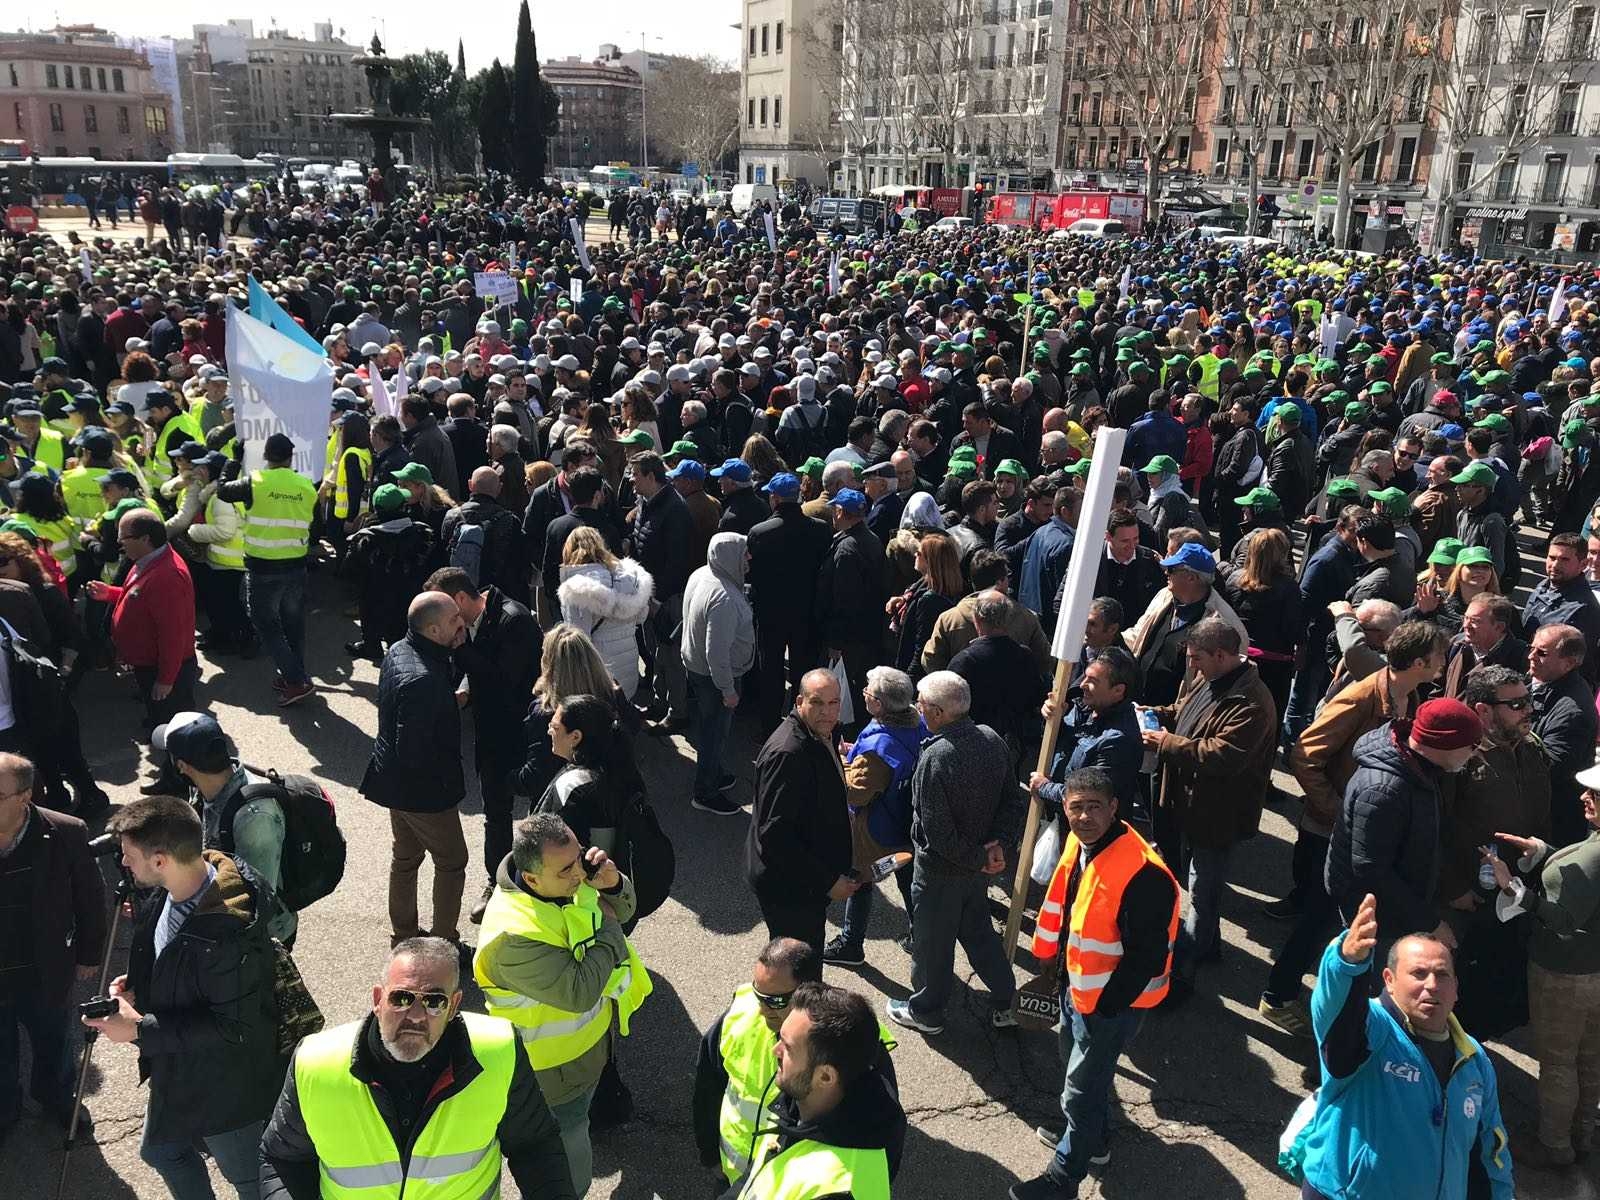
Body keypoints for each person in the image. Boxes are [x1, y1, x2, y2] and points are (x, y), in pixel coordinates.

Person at [259, 936, 577, 1200]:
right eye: (401, 998)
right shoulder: (316, 1063)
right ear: (378, 999)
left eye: (434, 1002)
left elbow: (534, 1146)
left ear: (454, 1006)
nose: (414, 1015)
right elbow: (282, 1159)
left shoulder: (499, 1051)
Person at [86, 797, 281, 1200]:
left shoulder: (227, 935)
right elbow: (172, 956)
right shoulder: (178, 884)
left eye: (129, 856)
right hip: (180, 1066)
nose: (123, 863)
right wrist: (143, 985)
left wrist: (139, 1030)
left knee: (249, 1181)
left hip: (226, 1088)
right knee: (160, 1151)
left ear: (160, 860)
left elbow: (234, 1029)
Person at [1262, 621, 1448, 1033]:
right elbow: (1305, 754)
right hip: (1330, 831)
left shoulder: (1410, 695)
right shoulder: (1362, 696)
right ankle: (1278, 995)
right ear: (1419, 662)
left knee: (1337, 920)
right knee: (1318, 918)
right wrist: (1338, 810)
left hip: (1359, 831)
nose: (1443, 663)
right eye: (1438, 656)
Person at [1011, 767, 1179, 1200]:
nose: (1084, 816)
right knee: (1085, 1078)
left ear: (1114, 808)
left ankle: (1063, 1179)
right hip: (1078, 990)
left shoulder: (1144, 873)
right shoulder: (1081, 842)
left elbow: (1146, 957)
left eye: (1094, 807)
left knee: (1080, 1092)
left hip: (1110, 1005)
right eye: (1076, 807)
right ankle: (1094, 1141)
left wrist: (1107, 1007)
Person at [473, 812, 651, 1196]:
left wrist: (613, 883)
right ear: (532, 879)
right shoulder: (510, 939)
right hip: (552, 1075)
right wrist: (609, 928)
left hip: (588, 1052)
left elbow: (623, 909)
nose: (579, 873)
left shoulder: (560, 880)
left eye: (579, 857)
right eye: (567, 869)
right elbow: (580, 992)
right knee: (568, 1158)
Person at [1295, 893, 1513, 1200]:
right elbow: (1335, 1008)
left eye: (1442, 975)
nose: (1432, 985)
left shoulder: (1474, 1060)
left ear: (1456, 989)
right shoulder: (1371, 1029)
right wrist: (1346, 963)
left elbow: (1490, 1154)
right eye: (1418, 974)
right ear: (1389, 980)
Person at [1141, 616, 1276, 1001]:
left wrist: (1165, 743)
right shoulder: (1213, 677)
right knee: (1198, 881)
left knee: (1203, 890)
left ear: (1221, 655)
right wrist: (1158, 713)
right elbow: (1186, 711)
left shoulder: (1251, 702)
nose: (1191, 665)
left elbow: (1222, 755)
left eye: (1197, 657)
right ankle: (1209, 945)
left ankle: (1185, 971)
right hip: (1193, 804)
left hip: (1218, 813)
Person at [694, 939, 902, 1186]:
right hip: (737, 1176)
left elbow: (882, 1136)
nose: (761, 1009)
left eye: (775, 1001)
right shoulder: (740, 1014)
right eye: (758, 994)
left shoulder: (852, 1044)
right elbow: (707, 1085)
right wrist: (709, 1153)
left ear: (806, 991)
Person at [886, 671, 1019, 1036]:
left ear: (939, 712)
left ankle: (927, 1012)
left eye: (922, 704)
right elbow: (1012, 801)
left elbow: (938, 835)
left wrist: (980, 857)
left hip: (940, 874)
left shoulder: (936, 757)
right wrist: (997, 846)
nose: (918, 709)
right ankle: (1007, 1002)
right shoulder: (992, 739)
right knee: (980, 935)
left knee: (932, 946)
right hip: (977, 872)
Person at [1487, 764, 1600, 1167]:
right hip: (1594, 971)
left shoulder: (1592, 856)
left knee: (1558, 1062)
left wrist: (1515, 890)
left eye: (1595, 795)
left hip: (1563, 973)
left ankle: (1554, 1146)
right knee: (1591, 1058)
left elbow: (1563, 919)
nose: (1584, 797)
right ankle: (1583, 1134)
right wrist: (1544, 852)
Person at [426, 567, 542, 925]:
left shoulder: (513, 620)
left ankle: (541, 883)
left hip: (524, 733)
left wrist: (461, 652)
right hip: (490, 733)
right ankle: (499, 882)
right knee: (496, 813)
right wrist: (464, 686)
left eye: (446, 609)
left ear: (461, 599)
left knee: (540, 811)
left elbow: (503, 681)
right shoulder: (470, 620)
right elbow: (479, 673)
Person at [717, 980, 906, 1200]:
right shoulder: (799, 1100)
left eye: (787, 1047)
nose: (775, 1050)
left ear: (825, 1077)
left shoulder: (836, 1190)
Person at [0, 752, 106, 1140]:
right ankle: (4, 1110)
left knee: (54, 1043)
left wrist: (90, 953)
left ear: (25, 797)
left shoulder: (66, 833)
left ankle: (58, 1099)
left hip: (43, 967)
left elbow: (90, 898)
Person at [361, 591, 471, 959]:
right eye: (455, 620)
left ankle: (403, 934)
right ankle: (443, 946)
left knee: (406, 859)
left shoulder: (399, 650)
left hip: (393, 783)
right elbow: (415, 750)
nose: (462, 623)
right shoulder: (424, 682)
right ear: (434, 630)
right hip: (424, 793)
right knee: (452, 861)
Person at [1325, 699, 1483, 952]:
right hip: (1376, 921)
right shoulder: (1384, 790)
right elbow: (1372, 870)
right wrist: (1429, 923)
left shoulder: (1422, 770)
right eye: (1472, 746)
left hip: (1399, 909)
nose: (1474, 754)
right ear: (1444, 743)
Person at [158, 712, 297, 945]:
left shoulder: (255, 818)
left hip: (260, 938)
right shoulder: (203, 786)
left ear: (181, 766)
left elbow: (257, 898)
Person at [748, 669, 859, 953]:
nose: (827, 712)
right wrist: (828, 881)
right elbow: (776, 837)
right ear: (799, 702)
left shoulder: (821, 733)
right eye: (817, 702)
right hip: (791, 890)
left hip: (805, 881)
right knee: (799, 967)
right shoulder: (788, 754)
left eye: (833, 703)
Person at [825, 667, 926, 965]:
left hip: (876, 831)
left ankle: (851, 944)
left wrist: (841, 762)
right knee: (908, 879)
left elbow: (856, 793)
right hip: (907, 823)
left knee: (860, 879)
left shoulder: (879, 749)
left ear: (879, 704)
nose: (864, 695)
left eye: (867, 692)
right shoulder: (917, 722)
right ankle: (920, 936)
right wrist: (855, 752)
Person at [214, 432, 318, 706]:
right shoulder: (306, 485)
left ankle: (296, 680)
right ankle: (295, 675)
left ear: (265, 456)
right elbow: (315, 526)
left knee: (266, 625)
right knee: (293, 624)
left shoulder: (256, 482)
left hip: (264, 568)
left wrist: (234, 460)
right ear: (291, 458)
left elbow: (223, 491)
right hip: (296, 566)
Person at [84, 507, 198, 755]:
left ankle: (175, 770)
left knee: (174, 729)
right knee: (158, 710)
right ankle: (157, 723)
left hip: (163, 668)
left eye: (123, 538)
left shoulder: (168, 576)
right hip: (148, 664)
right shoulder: (148, 560)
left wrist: (166, 680)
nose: (118, 543)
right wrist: (110, 594)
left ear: (145, 539)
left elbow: (173, 634)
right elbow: (140, 597)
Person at [747, 472, 833, 730]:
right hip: (806, 613)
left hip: (770, 614)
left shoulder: (760, 532)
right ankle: (801, 724)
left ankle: (769, 726)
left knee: (771, 671)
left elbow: (752, 574)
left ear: (774, 498)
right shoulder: (820, 529)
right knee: (803, 672)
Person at [681, 531, 757, 815]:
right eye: (744, 552)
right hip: (716, 679)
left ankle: (714, 772)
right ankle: (705, 792)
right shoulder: (724, 597)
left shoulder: (702, 573)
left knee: (710, 729)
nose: (749, 557)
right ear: (728, 556)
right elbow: (717, 653)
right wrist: (728, 690)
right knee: (714, 733)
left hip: (698, 668)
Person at [1032, 646, 1146, 822]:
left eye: (1093, 681)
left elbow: (1089, 796)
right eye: (1085, 676)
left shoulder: (1118, 741)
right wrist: (1052, 719)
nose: (1082, 685)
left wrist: (1045, 787)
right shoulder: (1084, 708)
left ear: (1118, 690)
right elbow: (1058, 743)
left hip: (1088, 829)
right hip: (1059, 818)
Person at [814, 489, 884, 732]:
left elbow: (844, 600)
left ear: (841, 512)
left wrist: (836, 642)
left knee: (844, 693)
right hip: (867, 633)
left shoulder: (846, 549)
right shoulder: (872, 540)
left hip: (848, 640)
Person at [556, 526, 652, 700]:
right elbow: (641, 617)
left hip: (598, 670)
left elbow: (577, 640)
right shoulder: (629, 578)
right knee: (623, 705)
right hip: (628, 663)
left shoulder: (577, 588)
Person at [948, 590, 1048, 756]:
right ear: (1008, 619)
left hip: (974, 750)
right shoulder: (1024, 655)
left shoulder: (964, 662)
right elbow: (1036, 699)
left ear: (976, 619)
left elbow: (949, 710)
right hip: (1016, 749)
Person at [1528, 623, 1598, 846]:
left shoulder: (1572, 711)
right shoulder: (1540, 681)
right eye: (1532, 648)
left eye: (1542, 653)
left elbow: (1550, 767)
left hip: (1553, 820)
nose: (1531, 656)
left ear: (1569, 663)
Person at [1523, 532, 1600, 683]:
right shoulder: (1543, 586)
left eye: (1564, 560)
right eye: (1552, 558)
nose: (1555, 565)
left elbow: (1575, 665)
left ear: (1583, 564)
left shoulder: (1584, 609)